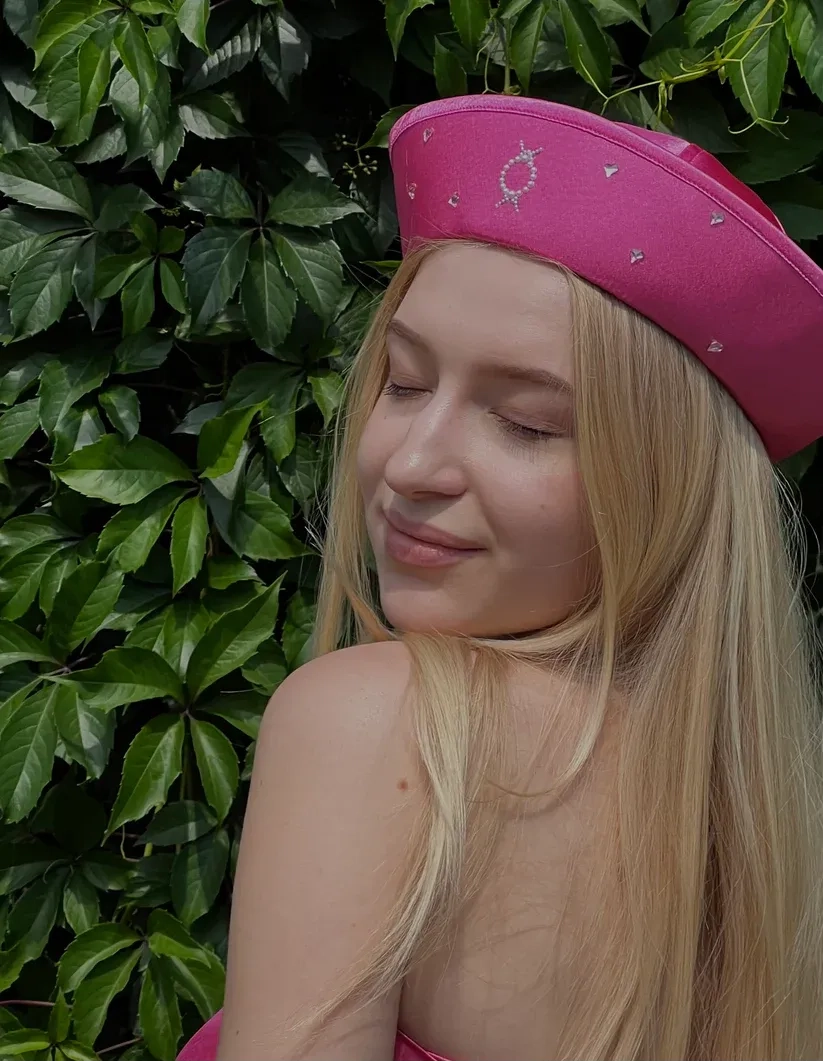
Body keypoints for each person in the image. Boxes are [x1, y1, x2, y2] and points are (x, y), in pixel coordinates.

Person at [176, 94, 823, 1061]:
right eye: (402, 382)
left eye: (525, 423)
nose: (410, 464)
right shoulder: (750, 836)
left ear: (669, 488)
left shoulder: (378, 726)